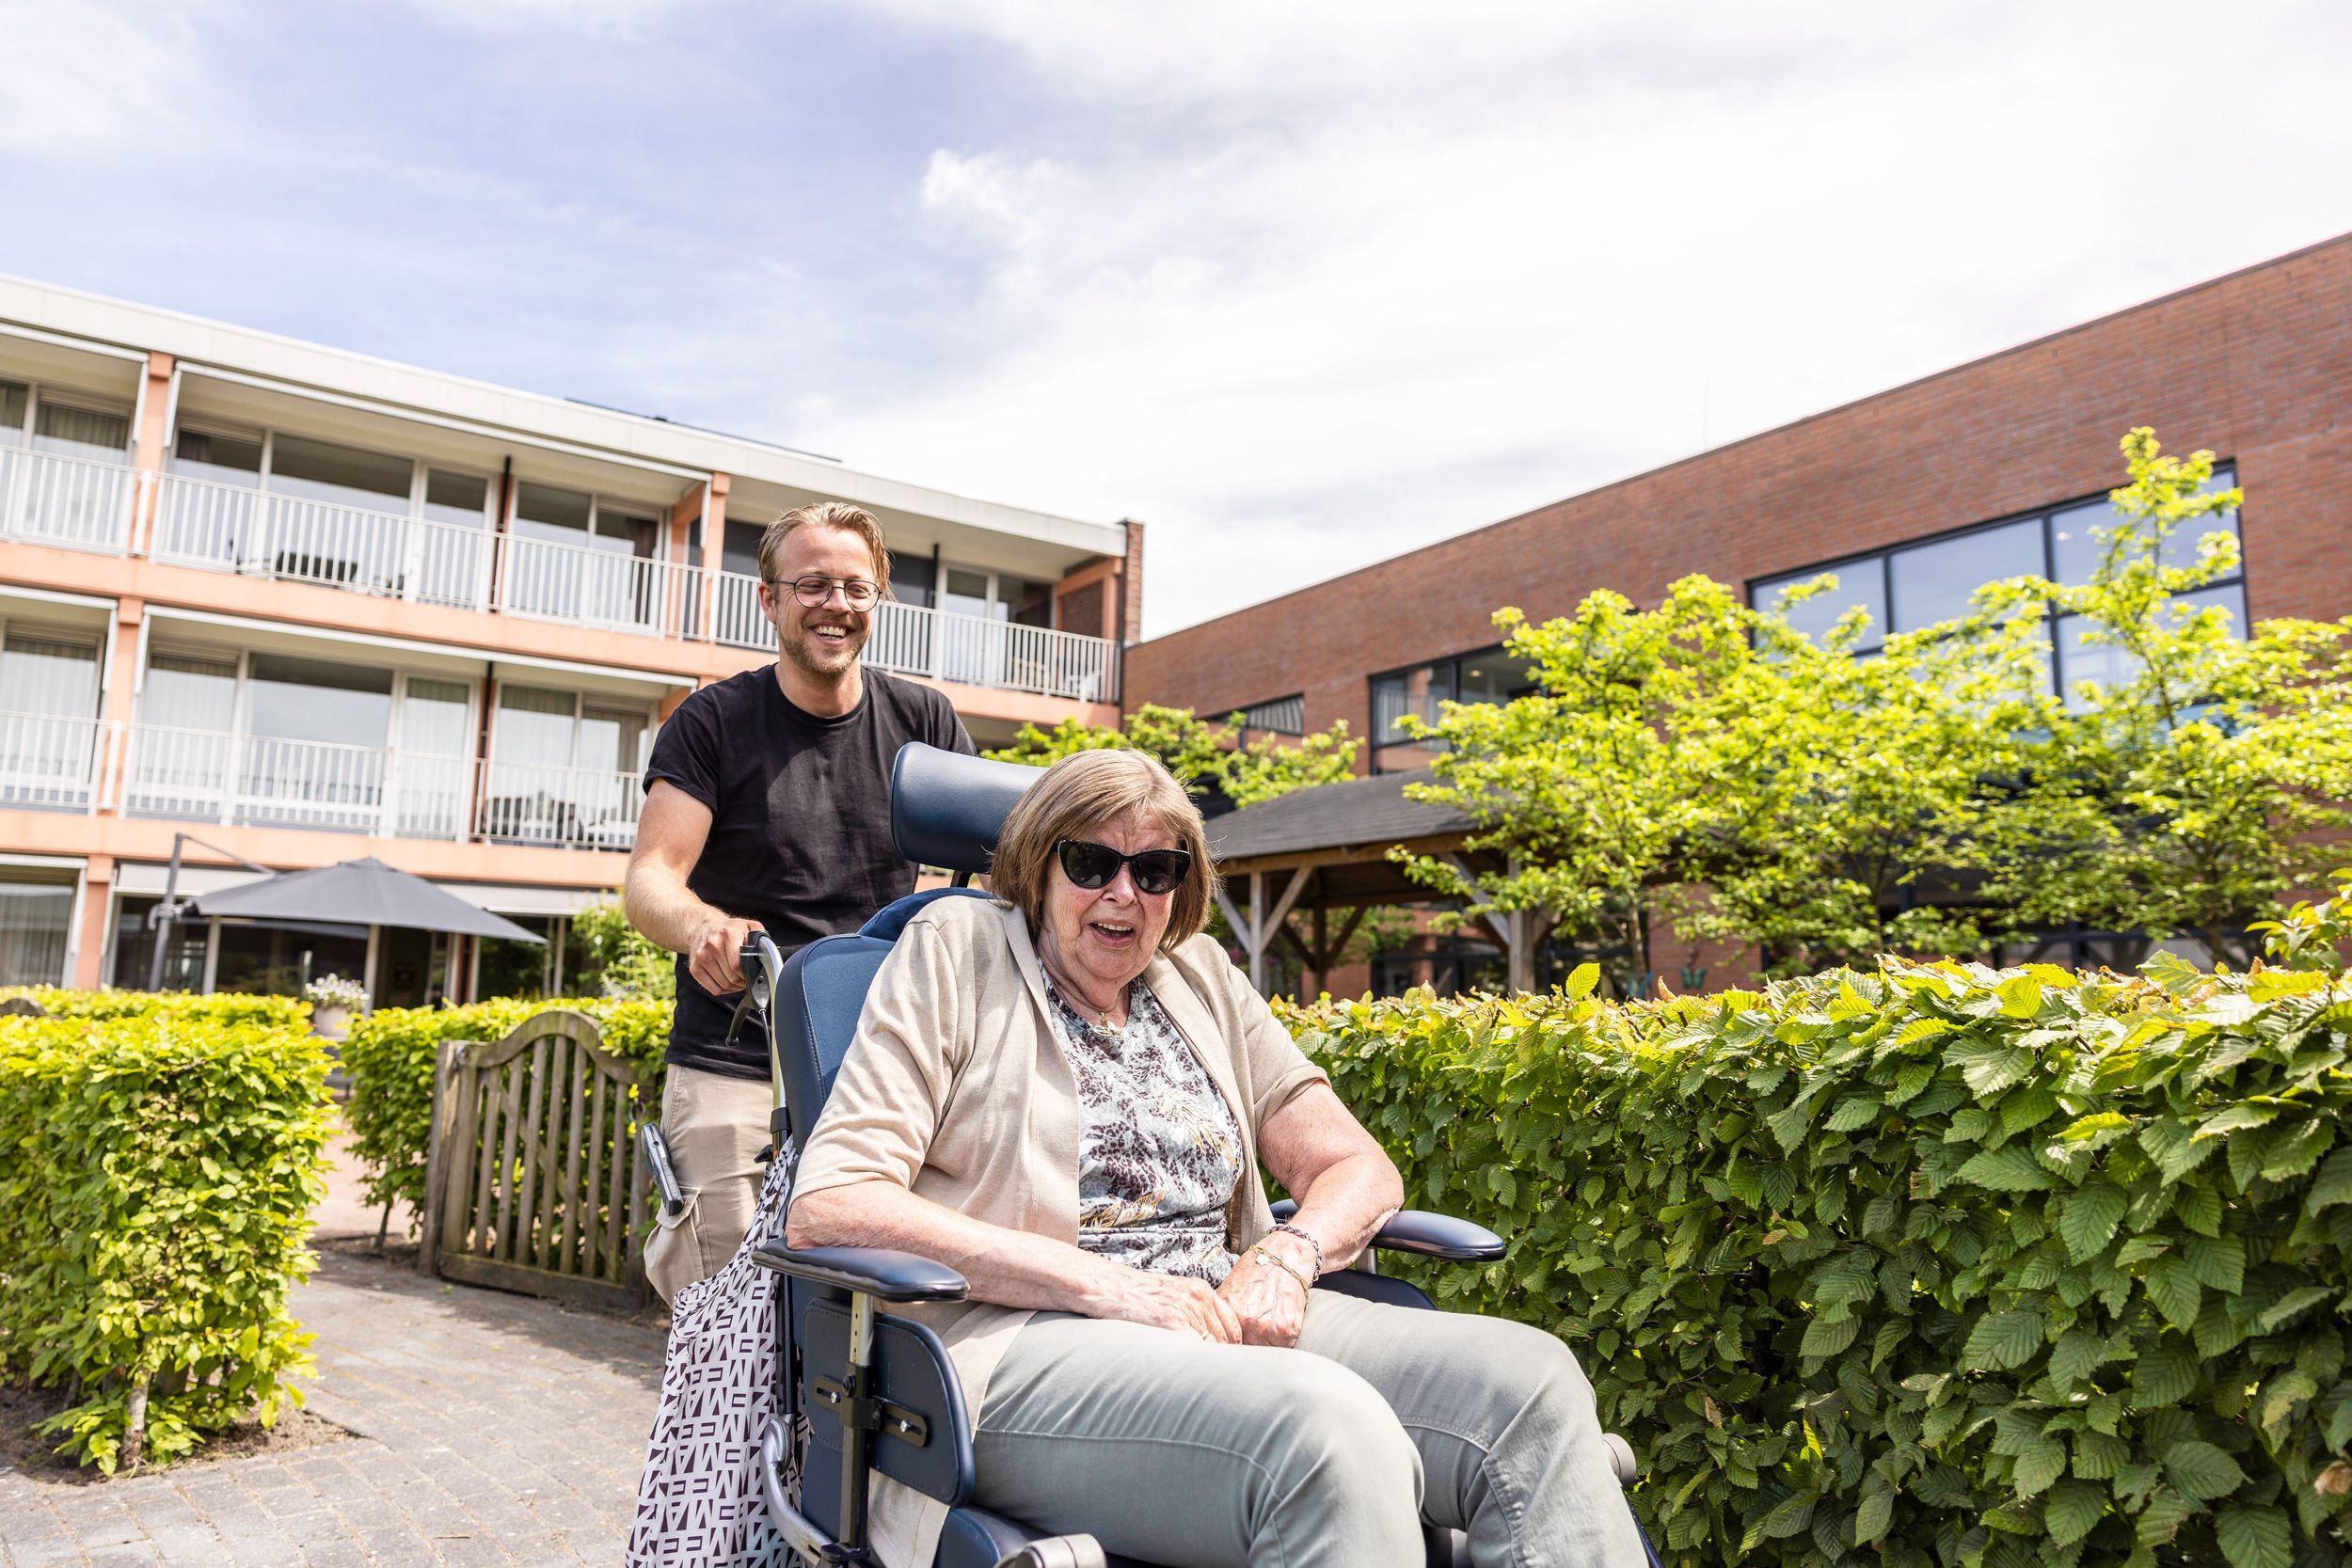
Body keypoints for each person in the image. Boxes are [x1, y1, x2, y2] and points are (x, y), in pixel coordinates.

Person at [787, 749, 1645, 1567]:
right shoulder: (956, 949)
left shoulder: (1195, 973)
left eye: (1155, 870)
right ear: (1038, 865)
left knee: (1530, 1386)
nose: (1123, 892)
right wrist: (1110, 1287)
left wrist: (1287, 1255)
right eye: (1090, 862)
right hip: (1020, 1339)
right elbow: (834, 1203)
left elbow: (1357, 1165)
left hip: (1218, 1308)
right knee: (1328, 1433)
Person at [626, 500, 975, 1303]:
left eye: (856, 588)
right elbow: (650, 880)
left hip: (881, 1064)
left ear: (876, 600)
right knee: (727, 1304)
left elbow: (991, 875)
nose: (835, 605)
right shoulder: (712, 721)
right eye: (812, 585)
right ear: (770, 599)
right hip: (739, 1056)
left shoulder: (924, 721)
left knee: (879, 1310)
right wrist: (705, 926)